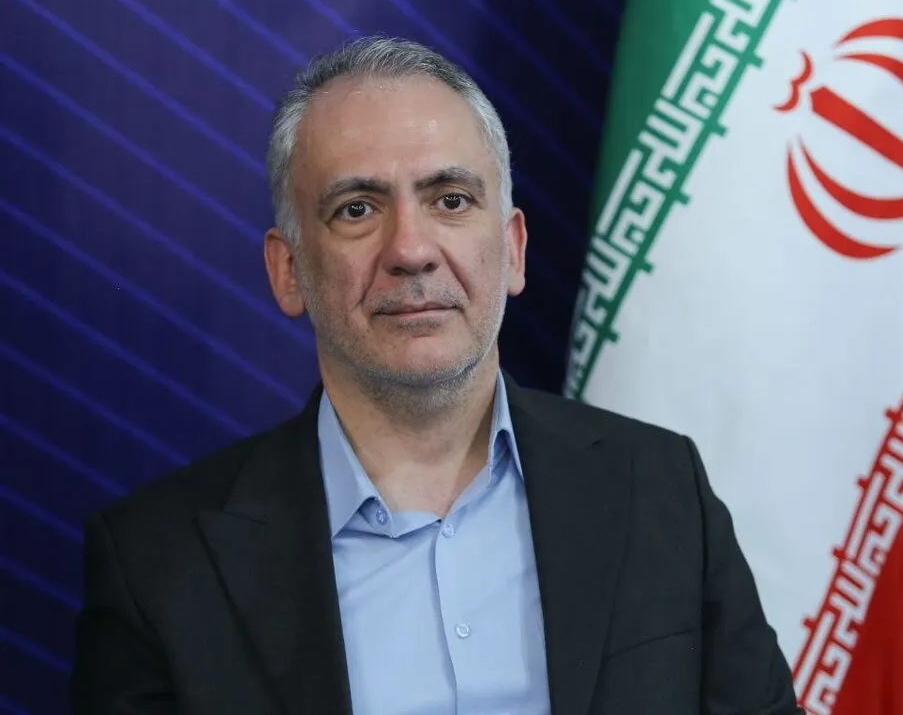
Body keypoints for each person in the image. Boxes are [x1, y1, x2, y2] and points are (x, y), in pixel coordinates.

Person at [70, 36, 800, 715]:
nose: (411, 250)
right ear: (288, 270)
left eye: (451, 200)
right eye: (357, 209)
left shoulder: (662, 490)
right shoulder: (157, 568)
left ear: (513, 249)